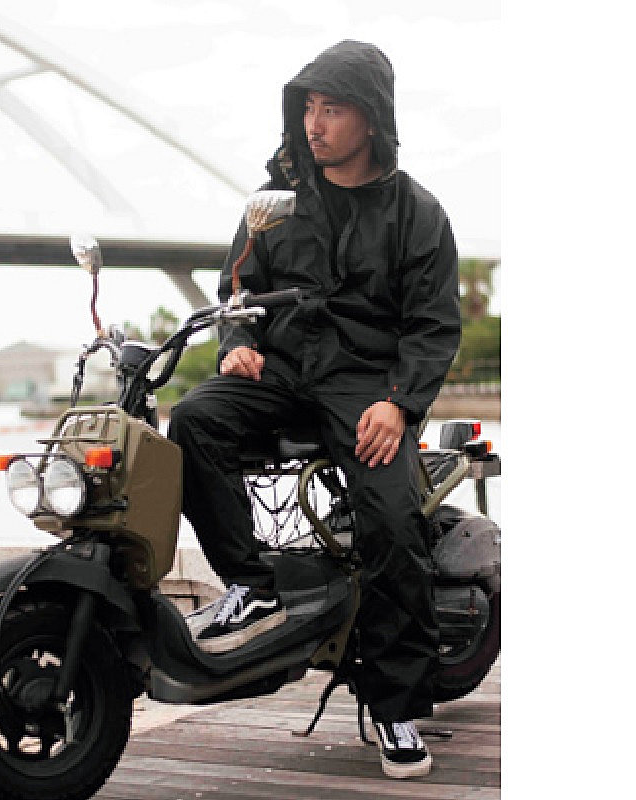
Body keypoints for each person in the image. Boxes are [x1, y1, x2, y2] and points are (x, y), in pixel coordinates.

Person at [168, 40, 460, 779]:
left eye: (332, 109)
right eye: (307, 108)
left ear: (372, 118)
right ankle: (252, 584)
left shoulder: (418, 213)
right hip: (283, 370)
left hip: (366, 386)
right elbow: (238, 290)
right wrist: (239, 342)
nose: (314, 123)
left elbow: (432, 326)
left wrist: (399, 404)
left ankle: (395, 705)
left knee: (391, 519)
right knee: (194, 420)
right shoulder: (276, 201)